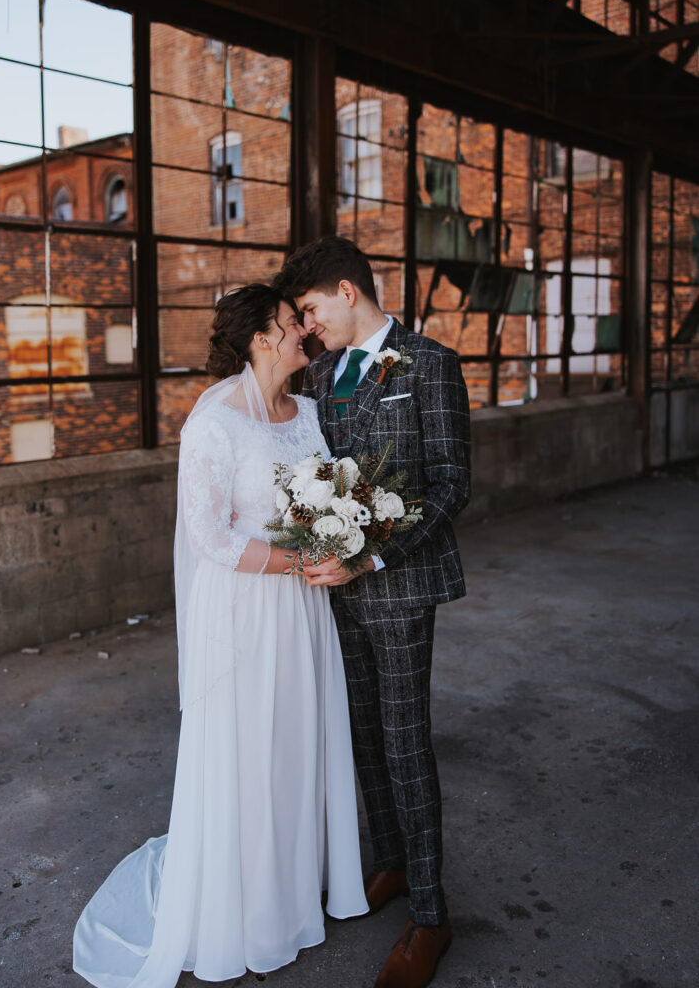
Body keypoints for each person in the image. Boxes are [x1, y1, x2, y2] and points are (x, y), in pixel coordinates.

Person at [73, 284, 368, 988]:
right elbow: (209, 537)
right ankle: (246, 909)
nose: (305, 331)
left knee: (296, 743)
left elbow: (325, 496)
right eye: (292, 323)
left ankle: (293, 893)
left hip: (301, 611)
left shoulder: (309, 414)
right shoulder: (214, 423)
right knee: (244, 750)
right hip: (242, 610)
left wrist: (341, 545)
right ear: (262, 338)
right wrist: (298, 558)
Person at [273, 237, 471, 988]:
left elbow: (453, 482)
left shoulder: (430, 362)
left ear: (348, 293)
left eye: (314, 310)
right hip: (333, 587)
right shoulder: (322, 372)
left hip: (399, 584)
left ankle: (431, 915)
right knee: (360, 735)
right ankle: (388, 861)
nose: (310, 326)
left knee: (405, 741)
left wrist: (376, 554)